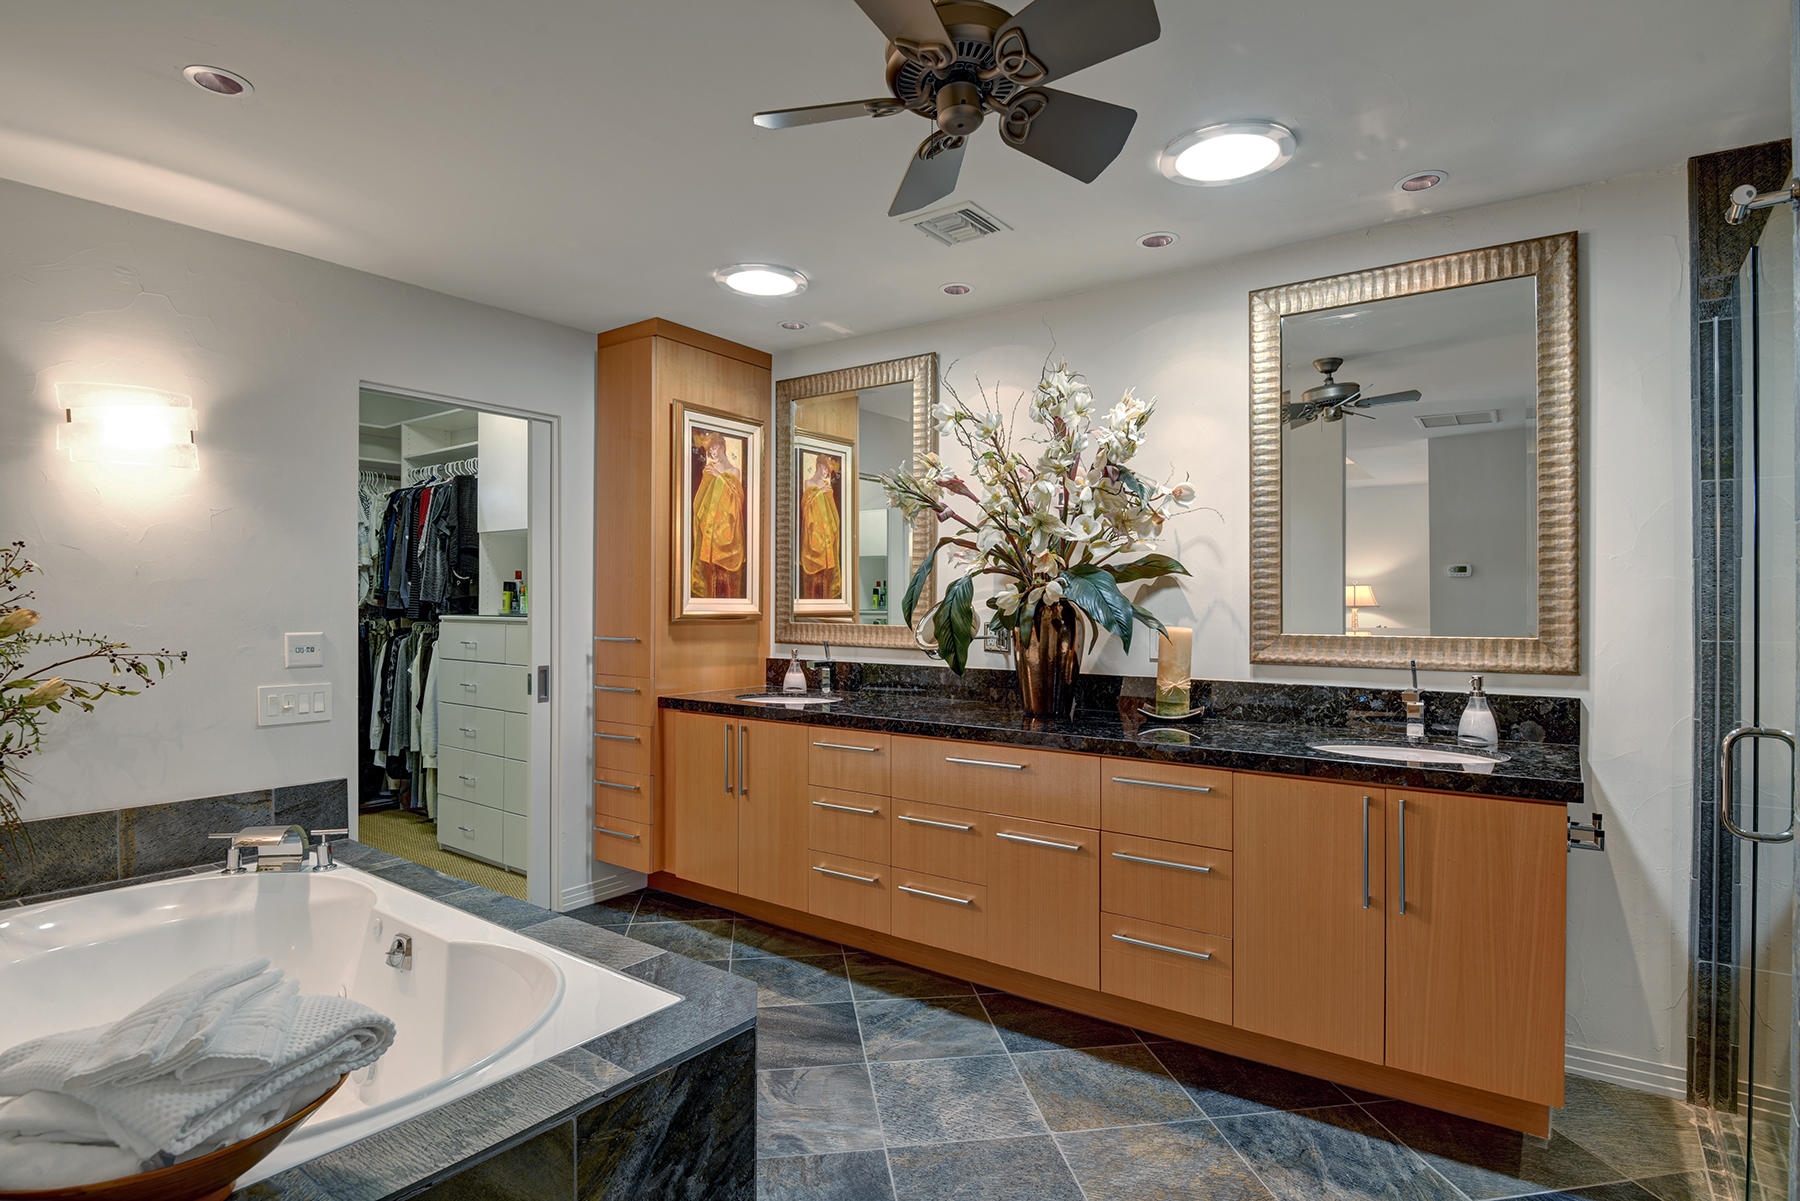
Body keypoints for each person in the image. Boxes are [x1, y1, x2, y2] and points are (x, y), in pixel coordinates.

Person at [690, 432, 746, 598]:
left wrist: (719, 478)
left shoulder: (734, 471)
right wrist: (710, 477)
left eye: (714, 447)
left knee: (728, 578)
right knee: (711, 574)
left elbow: (737, 499)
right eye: (709, 450)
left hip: (728, 530)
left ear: (722, 447)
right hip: (711, 530)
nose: (712, 452)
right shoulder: (710, 470)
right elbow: (700, 501)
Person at [799, 453, 842, 600]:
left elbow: (833, 512)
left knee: (826, 576)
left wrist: (826, 493)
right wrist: (819, 494)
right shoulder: (808, 483)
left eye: (829, 472)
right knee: (813, 577)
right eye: (826, 469)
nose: (826, 473)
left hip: (827, 534)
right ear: (819, 466)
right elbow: (806, 506)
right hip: (813, 533)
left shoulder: (827, 485)